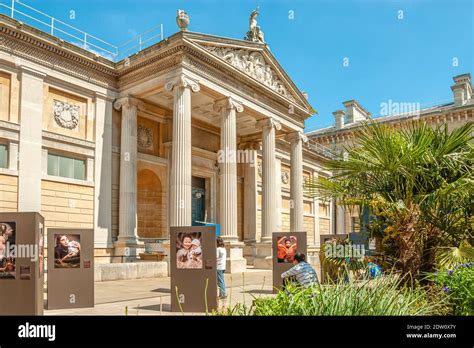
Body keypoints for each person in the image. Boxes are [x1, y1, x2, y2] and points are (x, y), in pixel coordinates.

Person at [216, 237, 227, 306]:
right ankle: (222, 293)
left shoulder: (218, 249)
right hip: (223, 266)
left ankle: (222, 294)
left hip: (218, 267)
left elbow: (216, 257)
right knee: (222, 280)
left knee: (220, 281)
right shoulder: (224, 249)